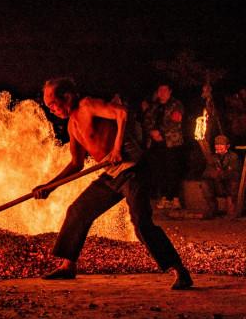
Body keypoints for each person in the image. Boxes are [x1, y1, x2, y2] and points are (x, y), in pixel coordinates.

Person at [34, 78, 193, 290]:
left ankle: (179, 270)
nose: (51, 109)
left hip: (133, 169)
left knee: (141, 224)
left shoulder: (88, 105)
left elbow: (122, 113)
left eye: (52, 103)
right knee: (78, 210)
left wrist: (117, 149)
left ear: (67, 97)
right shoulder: (72, 126)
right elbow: (76, 163)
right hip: (112, 174)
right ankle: (67, 266)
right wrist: (49, 186)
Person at [143, 83, 186, 208]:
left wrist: (161, 132)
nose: (162, 92)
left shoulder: (175, 104)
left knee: (172, 169)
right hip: (155, 142)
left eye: (165, 90)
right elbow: (147, 120)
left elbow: (176, 121)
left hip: (171, 142)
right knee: (160, 170)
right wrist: (151, 132)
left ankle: (174, 198)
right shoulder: (154, 106)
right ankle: (164, 197)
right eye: (160, 90)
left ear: (170, 91)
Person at [201, 135, 243, 218]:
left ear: (227, 146)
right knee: (205, 184)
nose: (219, 147)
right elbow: (205, 174)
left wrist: (221, 173)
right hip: (217, 186)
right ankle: (212, 208)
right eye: (217, 144)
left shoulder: (233, 157)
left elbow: (236, 174)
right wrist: (212, 174)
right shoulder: (212, 158)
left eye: (221, 144)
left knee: (234, 183)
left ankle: (234, 208)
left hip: (229, 186)